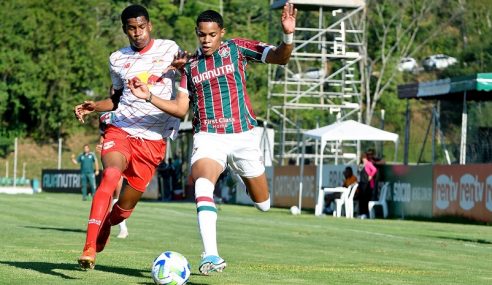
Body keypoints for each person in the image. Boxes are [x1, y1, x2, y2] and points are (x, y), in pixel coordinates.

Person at [128, 3, 297, 275]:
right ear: (197, 33)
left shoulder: (237, 48)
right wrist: (149, 96)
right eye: (202, 35)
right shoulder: (190, 66)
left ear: (221, 33)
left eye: (212, 35)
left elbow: (281, 57)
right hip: (209, 137)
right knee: (202, 183)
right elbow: (181, 109)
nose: (206, 40)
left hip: (243, 137)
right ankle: (212, 255)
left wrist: (287, 36)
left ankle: (239, 173)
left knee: (263, 204)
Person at [73, 4, 187, 270]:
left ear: (150, 25)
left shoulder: (170, 49)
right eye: (131, 29)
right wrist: (94, 107)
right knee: (111, 174)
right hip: (121, 129)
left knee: (123, 209)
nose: (137, 33)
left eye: (141, 27)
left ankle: (107, 226)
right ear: (125, 30)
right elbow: (115, 99)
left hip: (152, 141)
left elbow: (189, 73)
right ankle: (89, 247)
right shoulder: (117, 59)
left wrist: (183, 69)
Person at [357, 153, 377, 219]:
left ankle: (365, 213)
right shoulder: (361, 165)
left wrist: (371, 175)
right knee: (361, 199)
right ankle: (361, 213)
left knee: (365, 199)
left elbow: (374, 169)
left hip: (367, 185)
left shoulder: (368, 163)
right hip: (361, 184)